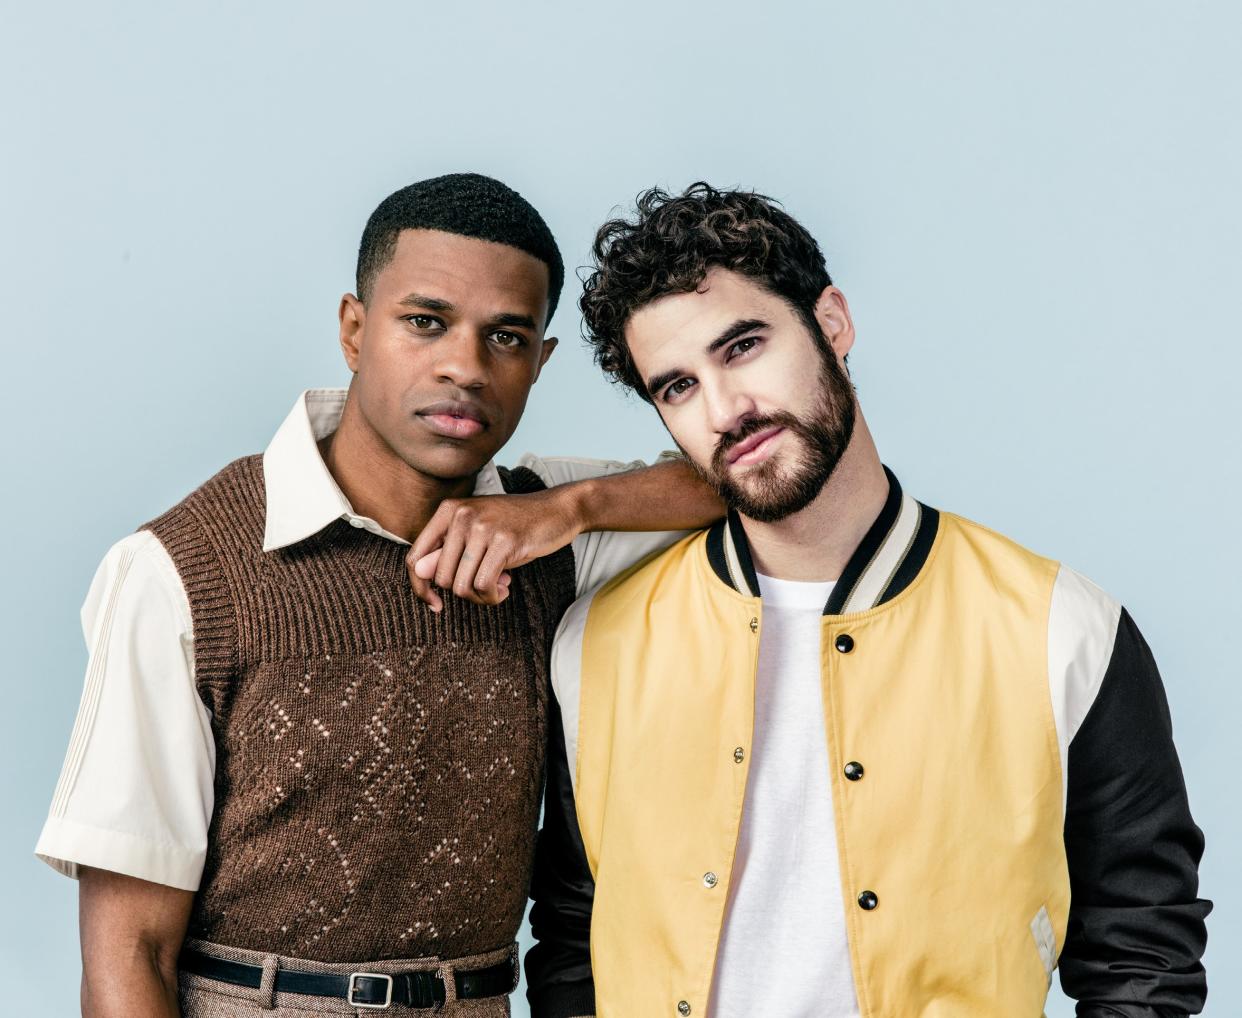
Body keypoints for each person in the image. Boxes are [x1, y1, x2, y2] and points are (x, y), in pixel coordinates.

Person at [35, 173, 722, 1017]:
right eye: (425, 322)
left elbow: (758, 479)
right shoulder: (183, 571)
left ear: (541, 362)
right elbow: (127, 955)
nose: (465, 367)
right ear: (354, 330)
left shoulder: (547, 534)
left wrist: (569, 509)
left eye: (506, 337)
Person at [525, 183, 1210, 1018]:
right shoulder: (598, 641)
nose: (725, 410)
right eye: (677, 387)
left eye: (743, 345)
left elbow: (1143, 954)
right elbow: (573, 932)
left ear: (833, 324)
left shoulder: (1064, 630)